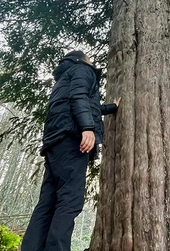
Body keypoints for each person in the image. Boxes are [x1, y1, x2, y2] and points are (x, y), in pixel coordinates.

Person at [21, 50, 120, 251]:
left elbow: (85, 104)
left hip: (55, 141)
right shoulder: (83, 69)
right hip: (72, 139)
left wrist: (110, 107)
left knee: (48, 202)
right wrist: (87, 128)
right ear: (83, 58)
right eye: (90, 59)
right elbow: (79, 97)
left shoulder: (64, 77)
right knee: (70, 200)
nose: (92, 62)